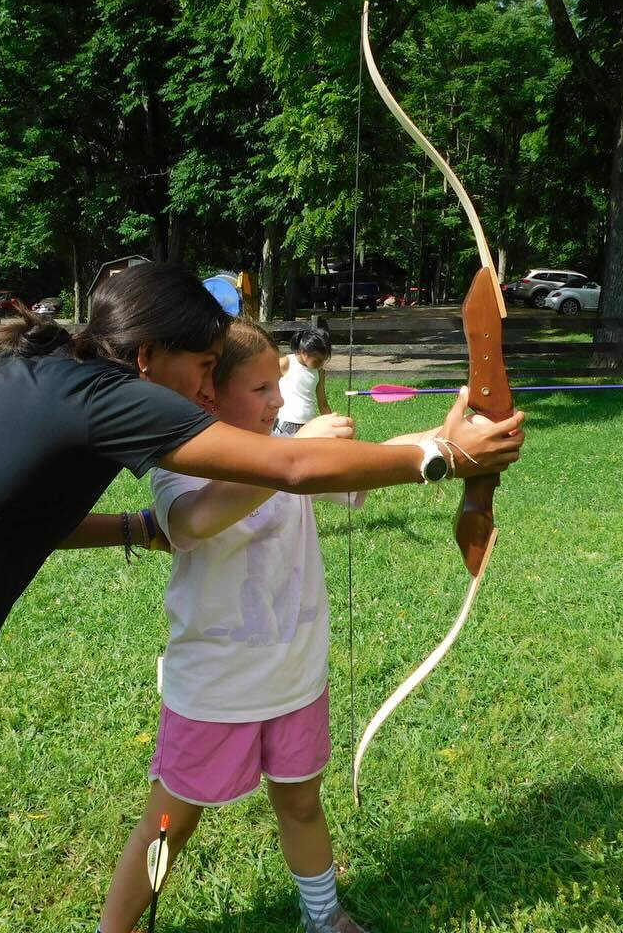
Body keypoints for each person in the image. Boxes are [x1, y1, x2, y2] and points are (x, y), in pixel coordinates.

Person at [0, 262, 525, 933]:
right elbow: (285, 471)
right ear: (150, 355)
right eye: (204, 363)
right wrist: (448, 456)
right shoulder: (116, 395)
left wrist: (133, 527)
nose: (204, 385)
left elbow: (11, 516)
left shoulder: (33, 367)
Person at [98, 317, 439, 933]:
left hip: (295, 679)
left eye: (277, 384)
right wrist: (295, 453)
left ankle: (323, 916)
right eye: (260, 389)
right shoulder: (179, 466)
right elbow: (194, 523)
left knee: (302, 802)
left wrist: (450, 439)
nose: (278, 400)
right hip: (215, 688)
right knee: (170, 823)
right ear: (209, 394)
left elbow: (383, 459)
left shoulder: (292, 451)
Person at [275, 325, 334, 437]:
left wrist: (331, 423)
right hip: (286, 423)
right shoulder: (286, 363)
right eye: (317, 360)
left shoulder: (319, 372)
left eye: (323, 361)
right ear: (303, 352)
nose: (321, 364)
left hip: (309, 425)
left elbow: (323, 404)